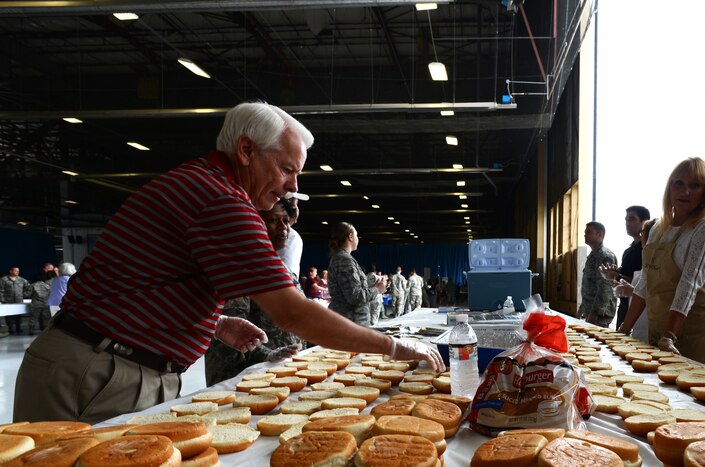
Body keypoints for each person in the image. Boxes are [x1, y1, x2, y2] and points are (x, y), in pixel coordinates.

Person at [13, 101, 443, 424]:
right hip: (96, 372)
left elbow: (145, 280)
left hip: (107, 364)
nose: (293, 186)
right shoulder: (221, 200)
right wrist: (394, 346)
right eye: (286, 169)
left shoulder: (202, 184)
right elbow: (292, 311)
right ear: (245, 150)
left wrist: (212, 323)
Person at [618, 157, 705, 366]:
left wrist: (669, 335)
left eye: (695, 185)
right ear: (670, 188)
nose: (685, 192)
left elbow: (689, 284)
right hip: (659, 325)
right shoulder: (659, 228)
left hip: (691, 328)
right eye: (679, 183)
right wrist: (624, 329)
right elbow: (645, 283)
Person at [204, 199, 303, 386]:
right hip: (241, 378)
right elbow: (231, 330)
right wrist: (269, 356)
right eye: (273, 220)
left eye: (285, 221)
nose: (283, 228)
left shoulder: (280, 267)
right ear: (254, 223)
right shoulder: (239, 267)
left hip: (276, 373)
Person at [327, 223, 387, 327]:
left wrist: (372, 285)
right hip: (350, 324)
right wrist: (377, 290)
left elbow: (352, 289)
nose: (357, 239)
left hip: (349, 322)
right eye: (356, 235)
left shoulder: (342, 258)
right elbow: (355, 297)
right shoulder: (344, 260)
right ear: (350, 236)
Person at [614, 206, 651, 327]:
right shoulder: (628, 251)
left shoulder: (649, 250)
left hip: (640, 308)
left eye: (631, 219)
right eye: (626, 220)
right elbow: (624, 281)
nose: (627, 223)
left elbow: (646, 281)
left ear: (644, 222)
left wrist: (617, 276)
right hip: (624, 306)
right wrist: (613, 277)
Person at [577, 222, 617, 327]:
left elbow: (605, 287)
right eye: (585, 232)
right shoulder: (593, 255)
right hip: (590, 311)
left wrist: (595, 313)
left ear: (599, 234)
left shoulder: (605, 256)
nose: (585, 234)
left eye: (589, 232)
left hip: (600, 315)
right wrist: (582, 308)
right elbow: (590, 285)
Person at [279, 192, 308, 287]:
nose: (295, 211)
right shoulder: (291, 236)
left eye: (296, 206)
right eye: (291, 207)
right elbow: (286, 282)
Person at [0, 266, 30, 335]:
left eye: (18, 271)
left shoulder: (22, 280)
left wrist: (24, 295)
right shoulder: (4, 280)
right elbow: (1, 290)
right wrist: (2, 299)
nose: (17, 272)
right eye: (16, 271)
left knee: (18, 316)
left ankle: (18, 328)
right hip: (8, 301)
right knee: (9, 317)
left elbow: (28, 288)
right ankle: (10, 329)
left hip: (18, 301)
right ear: (11, 271)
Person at [28, 270, 54, 334]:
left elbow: (27, 294)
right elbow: (50, 294)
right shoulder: (47, 286)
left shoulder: (33, 285)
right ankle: (45, 330)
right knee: (45, 319)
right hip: (45, 304)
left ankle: (31, 331)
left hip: (35, 304)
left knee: (33, 318)